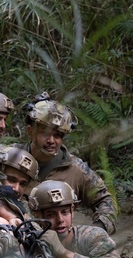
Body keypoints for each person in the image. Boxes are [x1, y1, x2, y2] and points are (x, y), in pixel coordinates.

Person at [15, 94, 117, 234]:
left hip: (59, 246)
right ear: (30, 131)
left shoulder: (76, 169)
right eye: (45, 133)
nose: (51, 140)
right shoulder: (10, 158)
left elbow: (105, 200)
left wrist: (96, 231)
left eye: (57, 135)